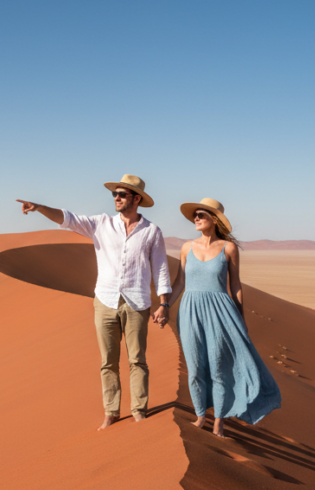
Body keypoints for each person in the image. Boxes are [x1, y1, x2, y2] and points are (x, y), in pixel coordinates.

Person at [17, 174, 172, 430]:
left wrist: (164, 304)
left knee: (137, 360)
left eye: (122, 194)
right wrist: (40, 208)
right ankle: (111, 412)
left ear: (136, 199)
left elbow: (161, 270)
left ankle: (138, 411)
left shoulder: (152, 232)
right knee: (108, 361)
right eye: (115, 194)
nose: (116, 198)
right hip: (105, 300)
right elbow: (68, 219)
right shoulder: (101, 223)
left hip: (137, 302)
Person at [167, 198, 280, 438]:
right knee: (195, 367)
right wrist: (164, 305)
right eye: (195, 215)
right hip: (190, 310)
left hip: (221, 311)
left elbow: (236, 285)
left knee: (219, 367)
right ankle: (200, 416)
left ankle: (219, 420)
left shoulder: (228, 248)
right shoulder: (187, 247)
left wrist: (240, 317)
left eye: (201, 215)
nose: (196, 218)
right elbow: (179, 282)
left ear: (214, 219)